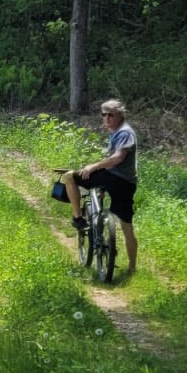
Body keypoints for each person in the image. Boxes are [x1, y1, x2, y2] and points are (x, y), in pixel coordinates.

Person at [62, 100, 139, 276]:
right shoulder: (118, 132)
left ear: (121, 114)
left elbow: (118, 158)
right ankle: (132, 268)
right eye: (104, 114)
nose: (107, 118)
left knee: (69, 177)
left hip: (117, 179)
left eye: (111, 114)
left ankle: (78, 219)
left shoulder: (125, 132)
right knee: (127, 225)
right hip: (126, 182)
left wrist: (93, 167)